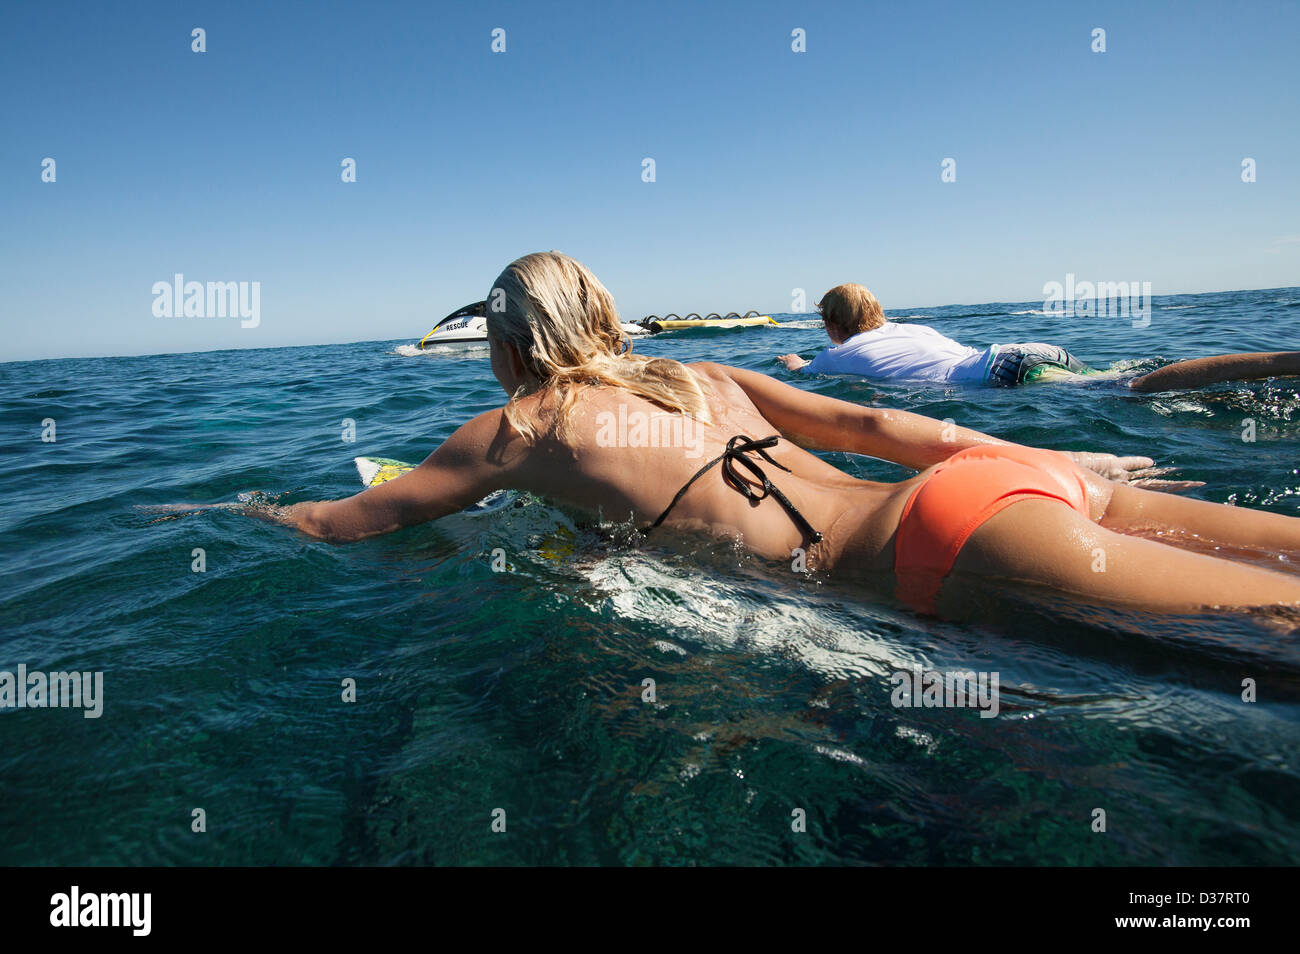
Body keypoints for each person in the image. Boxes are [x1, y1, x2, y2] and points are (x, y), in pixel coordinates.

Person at [246, 252, 1300, 621]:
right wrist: (1065, 460)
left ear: (511, 342)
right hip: (995, 473)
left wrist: (236, 513)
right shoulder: (701, 372)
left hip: (925, 547)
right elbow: (875, 424)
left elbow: (352, 519)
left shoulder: (519, 428)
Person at [777, 283, 1300, 392]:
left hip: (1007, 374)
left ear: (833, 325)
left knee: (1136, 390)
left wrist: (790, 359)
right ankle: (1279, 359)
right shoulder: (912, 328)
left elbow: (802, 374)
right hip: (1027, 350)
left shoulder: (832, 359)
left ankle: (1282, 362)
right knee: (1124, 377)